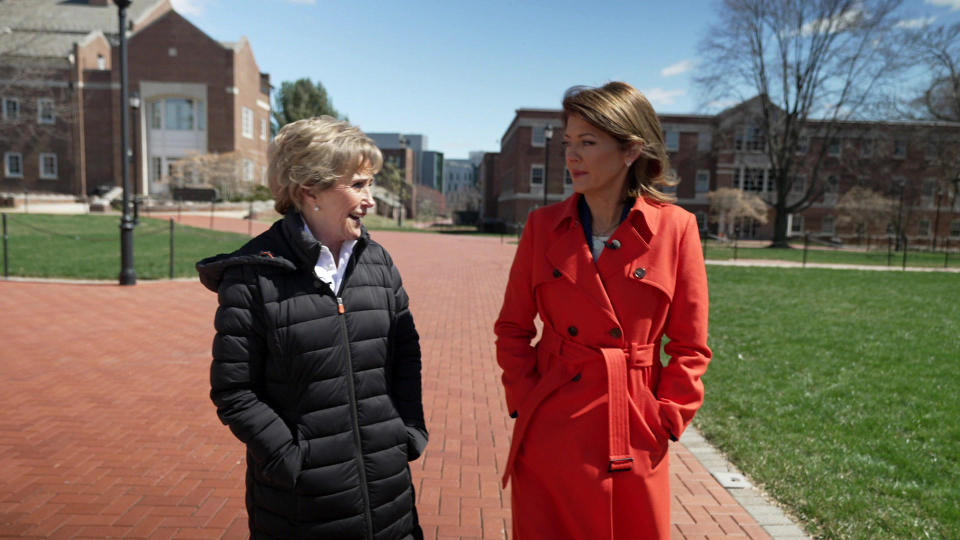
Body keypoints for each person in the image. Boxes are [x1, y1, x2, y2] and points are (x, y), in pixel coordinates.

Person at [494, 82, 712, 539]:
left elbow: (691, 345)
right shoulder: (542, 226)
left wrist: (667, 416)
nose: (571, 156)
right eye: (568, 143)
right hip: (550, 426)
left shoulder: (676, 229)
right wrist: (525, 399)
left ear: (631, 150)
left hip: (632, 429)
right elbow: (512, 328)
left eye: (588, 143)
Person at [196, 116, 427, 540]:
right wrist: (290, 459)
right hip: (301, 507)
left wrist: (408, 431)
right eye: (357, 185)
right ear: (309, 192)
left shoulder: (378, 262)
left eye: (369, 183)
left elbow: (405, 354)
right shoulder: (252, 277)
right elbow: (234, 391)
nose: (369, 200)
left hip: (389, 494)